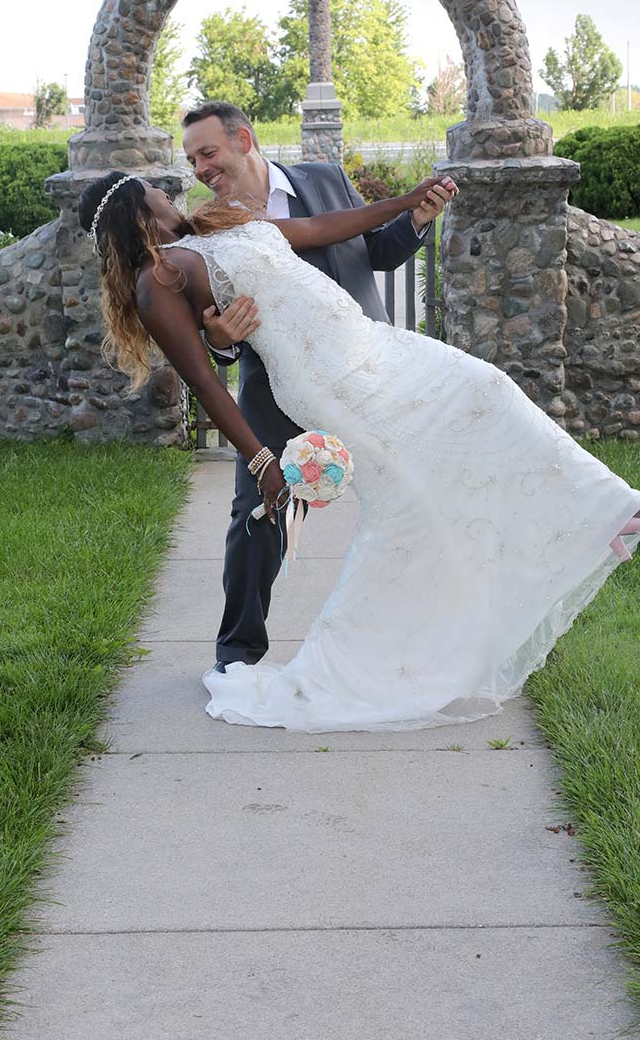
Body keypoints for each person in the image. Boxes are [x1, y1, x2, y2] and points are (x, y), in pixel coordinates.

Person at [77, 164, 640, 734]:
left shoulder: (219, 223)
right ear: (137, 205)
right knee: (407, 503)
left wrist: (403, 203)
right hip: (327, 380)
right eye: (152, 187)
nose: (168, 187)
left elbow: (321, 227)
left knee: (487, 390)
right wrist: (263, 460)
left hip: (374, 346)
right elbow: (206, 383)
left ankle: (603, 513)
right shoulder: (160, 281)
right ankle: (353, 669)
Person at [182, 102, 447, 674]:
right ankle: (239, 656)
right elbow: (212, 327)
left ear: (244, 140)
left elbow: (376, 251)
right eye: (193, 161)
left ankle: (425, 641)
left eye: (208, 154)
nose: (201, 169)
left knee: (415, 492)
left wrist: (417, 220)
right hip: (274, 387)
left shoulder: (324, 181)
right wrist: (222, 341)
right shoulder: (211, 222)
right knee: (256, 515)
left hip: (362, 373)